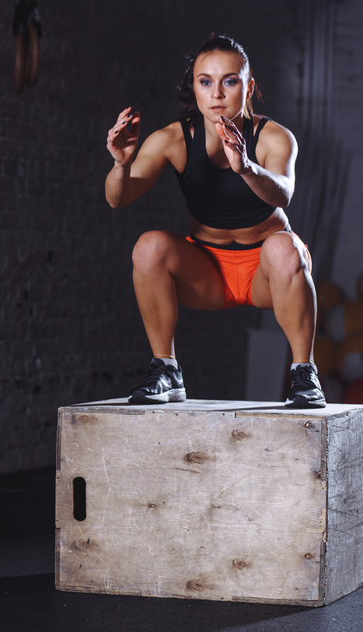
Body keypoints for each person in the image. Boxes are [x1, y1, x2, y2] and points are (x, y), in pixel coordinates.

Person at [104, 35, 324, 408]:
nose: (217, 93)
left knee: (285, 246)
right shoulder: (173, 138)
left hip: (268, 274)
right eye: (205, 81)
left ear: (248, 86)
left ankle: (305, 374)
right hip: (207, 272)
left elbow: (283, 194)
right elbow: (117, 197)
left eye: (230, 81)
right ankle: (167, 370)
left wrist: (246, 167)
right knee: (149, 246)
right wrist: (121, 164)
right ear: (194, 87)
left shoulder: (273, 137)